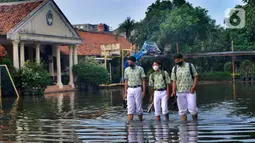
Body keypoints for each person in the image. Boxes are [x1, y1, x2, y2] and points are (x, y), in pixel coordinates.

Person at [171, 53, 199, 121]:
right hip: (179, 92)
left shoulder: (189, 65)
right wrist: (173, 91)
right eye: (176, 61)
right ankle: (184, 128)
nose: (177, 62)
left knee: (193, 109)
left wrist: (194, 87)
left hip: (190, 91)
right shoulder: (174, 68)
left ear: (182, 59)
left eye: (178, 60)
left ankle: (195, 123)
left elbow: (196, 76)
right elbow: (174, 80)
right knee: (182, 111)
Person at [124, 56, 146, 121]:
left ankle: (140, 122)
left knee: (139, 107)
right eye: (128, 62)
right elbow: (126, 81)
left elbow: (143, 80)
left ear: (134, 62)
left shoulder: (140, 69)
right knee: (130, 108)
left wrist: (144, 91)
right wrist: (125, 92)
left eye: (130, 62)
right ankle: (130, 126)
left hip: (138, 88)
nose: (129, 63)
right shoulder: (126, 69)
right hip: (129, 89)